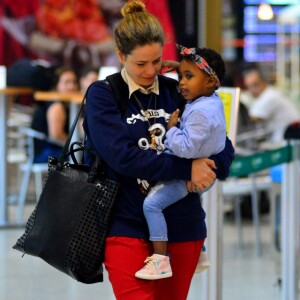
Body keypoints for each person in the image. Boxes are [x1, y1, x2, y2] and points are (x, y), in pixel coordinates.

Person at [83, 1, 234, 299]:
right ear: (120, 56)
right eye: (141, 64)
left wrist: (214, 165)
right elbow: (122, 157)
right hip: (124, 224)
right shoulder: (104, 95)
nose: (151, 71)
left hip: (182, 225)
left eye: (157, 61)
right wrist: (187, 168)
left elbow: (221, 142)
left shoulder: (176, 90)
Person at [135, 44, 226, 280]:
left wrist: (171, 130)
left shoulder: (199, 113)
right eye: (180, 76)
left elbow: (186, 149)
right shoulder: (212, 100)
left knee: (152, 205)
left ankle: (160, 260)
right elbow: (203, 78)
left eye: (188, 77)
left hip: (188, 174)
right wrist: (182, 67)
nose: (181, 83)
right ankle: (201, 252)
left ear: (210, 82)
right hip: (204, 171)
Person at [31, 66, 79, 163]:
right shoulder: (56, 105)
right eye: (67, 82)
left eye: (74, 82)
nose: (72, 86)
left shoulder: (66, 104)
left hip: (50, 149)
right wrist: (77, 144)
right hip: (45, 152)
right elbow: (56, 136)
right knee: (84, 156)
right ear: (57, 84)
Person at [242, 67, 300, 144]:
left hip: (285, 143)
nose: (252, 90)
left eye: (255, 85)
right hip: (284, 140)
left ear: (263, 81)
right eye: (249, 87)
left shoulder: (270, 97)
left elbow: (251, 120)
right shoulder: (266, 94)